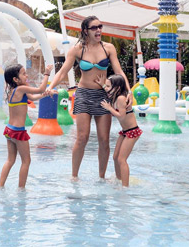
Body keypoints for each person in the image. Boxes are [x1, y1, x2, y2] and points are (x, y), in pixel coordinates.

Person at [50, 16, 131, 180]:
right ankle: (74, 176)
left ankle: (101, 177)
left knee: (104, 139)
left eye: (100, 26)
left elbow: (119, 71)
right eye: (94, 28)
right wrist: (50, 86)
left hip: (103, 95)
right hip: (83, 95)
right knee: (82, 137)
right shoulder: (77, 49)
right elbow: (63, 71)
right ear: (85, 30)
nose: (99, 30)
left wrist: (128, 91)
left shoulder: (108, 48)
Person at [0, 63, 56, 189]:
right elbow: (40, 89)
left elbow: (35, 97)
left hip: (9, 130)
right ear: (16, 79)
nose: (27, 75)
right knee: (26, 161)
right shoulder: (21, 89)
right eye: (23, 73)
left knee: (10, 160)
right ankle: (21, 189)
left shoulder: (14, 91)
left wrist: (46, 94)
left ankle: (0, 186)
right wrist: (46, 73)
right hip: (18, 132)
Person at [97, 74, 141, 187]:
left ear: (117, 88)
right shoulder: (114, 95)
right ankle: (119, 179)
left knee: (122, 159)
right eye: (105, 86)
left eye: (108, 86)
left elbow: (121, 116)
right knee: (115, 157)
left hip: (132, 131)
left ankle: (125, 186)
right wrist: (101, 84)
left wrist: (109, 108)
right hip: (125, 131)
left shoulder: (121, 98)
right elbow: (107, 88)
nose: (106, 88)